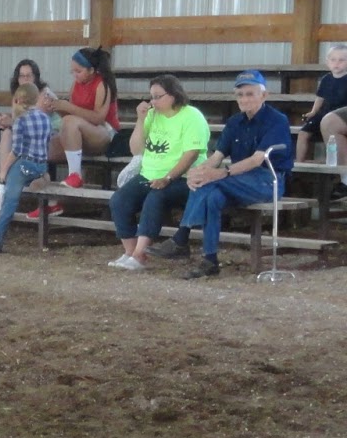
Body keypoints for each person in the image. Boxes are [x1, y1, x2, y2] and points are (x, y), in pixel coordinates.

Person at [151, 70, 292, 280]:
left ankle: (182, 237)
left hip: (267, 180)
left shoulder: (276, 120)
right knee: (212, 196)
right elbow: (216, 156)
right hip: (237, 180)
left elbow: (256, 160)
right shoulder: (235, 122)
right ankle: (210, 260)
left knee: (211, 184)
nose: (244, 99)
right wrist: (198, 172)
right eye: (240, 94)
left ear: (264, 95)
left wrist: (221, 173)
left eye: (250, 94)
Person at [106, 75, 209, 271]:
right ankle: (129, 252)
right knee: (119, 200)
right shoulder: (152, 115)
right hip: (149, 173)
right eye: (151, 97)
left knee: (156, 197)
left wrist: (168, 177)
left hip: (184, 177)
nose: (152, 101)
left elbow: (191, 153)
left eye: (157, 96)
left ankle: (139, 254)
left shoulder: (191, 116)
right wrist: (140, 119)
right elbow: (136, 149)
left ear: (173, 95)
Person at [38, 47, 119, 193]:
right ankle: (43, 192)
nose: (75, 75)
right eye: (72, 71)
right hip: (79, 131)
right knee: (43, 147)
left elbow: (98, 118)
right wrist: (56, 107)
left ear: (91, 70)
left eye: (79, 71)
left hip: (104, 132)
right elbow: (69, 118)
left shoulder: (102, 84)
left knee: (69, 121)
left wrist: (68, 107)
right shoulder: (76, 84)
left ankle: (75, 174)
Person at [0, 83, 53, 255]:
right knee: (36, 171)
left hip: (24, 164)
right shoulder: (45, 118)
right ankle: (42, 177)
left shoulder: (20, 121)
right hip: (40, 162)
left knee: (9, 203)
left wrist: (3, 171)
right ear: (36, 98)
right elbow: (47, 143)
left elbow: (16, 151)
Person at [297, 43, 347, 164]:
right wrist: (313, 111)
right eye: (333, 60)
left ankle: (334, 161)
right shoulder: (326, 79)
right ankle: (299, 162)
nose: (337, 63)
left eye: (341, 60)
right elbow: (320, 97)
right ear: (327, 62)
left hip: (340, 115)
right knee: (303, 133)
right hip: (324, 112)